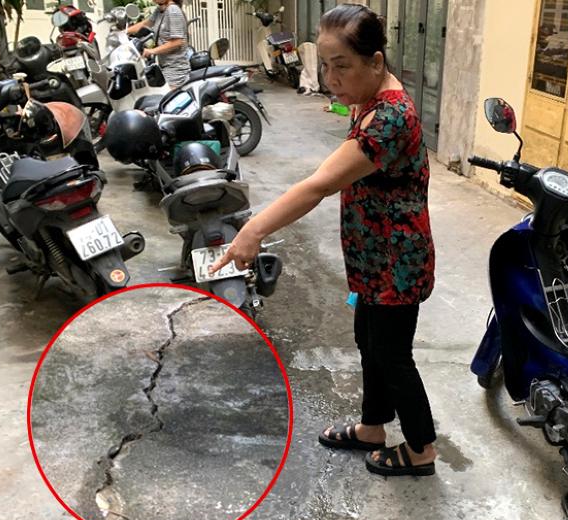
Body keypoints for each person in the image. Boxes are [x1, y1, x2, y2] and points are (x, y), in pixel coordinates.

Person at [209, 3, 438, 477]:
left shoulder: (390, 118)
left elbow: (317, 185)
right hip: (373, 257)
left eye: (343, 66)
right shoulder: (370, 100)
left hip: (397, 262)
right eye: (326, 66)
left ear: (376, 62)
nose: (332, 79)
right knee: (368, 342)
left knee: (393, 356)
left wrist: (253, 231)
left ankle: (421, 450)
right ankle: (373, 426)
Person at [126, 0, 190, 89]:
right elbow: (146, 23)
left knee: (169, 101)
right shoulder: (160, 10)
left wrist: (151, 51)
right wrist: (124, 32)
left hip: (174, 70)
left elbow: (178, 41)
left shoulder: (173, 10)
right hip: (164, 66)